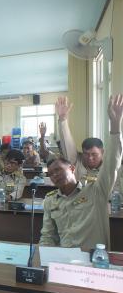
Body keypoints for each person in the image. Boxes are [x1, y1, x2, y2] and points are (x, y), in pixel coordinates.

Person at [39, 94, 123, 251]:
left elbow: (113, 162)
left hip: (94, 260)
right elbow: (47, 236)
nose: (54, 175)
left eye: (57, 170)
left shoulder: (96, 191)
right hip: (65, 261)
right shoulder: (51, 201)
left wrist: (115, 124)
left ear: (71, 169)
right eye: (50, 174)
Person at [57, 96, 104, 185]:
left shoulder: (109, 167)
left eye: (94, 154)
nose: (90, 158)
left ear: (102, 152)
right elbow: (67, 142)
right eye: (86, 154)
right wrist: (62, 119)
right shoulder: (77, 161)